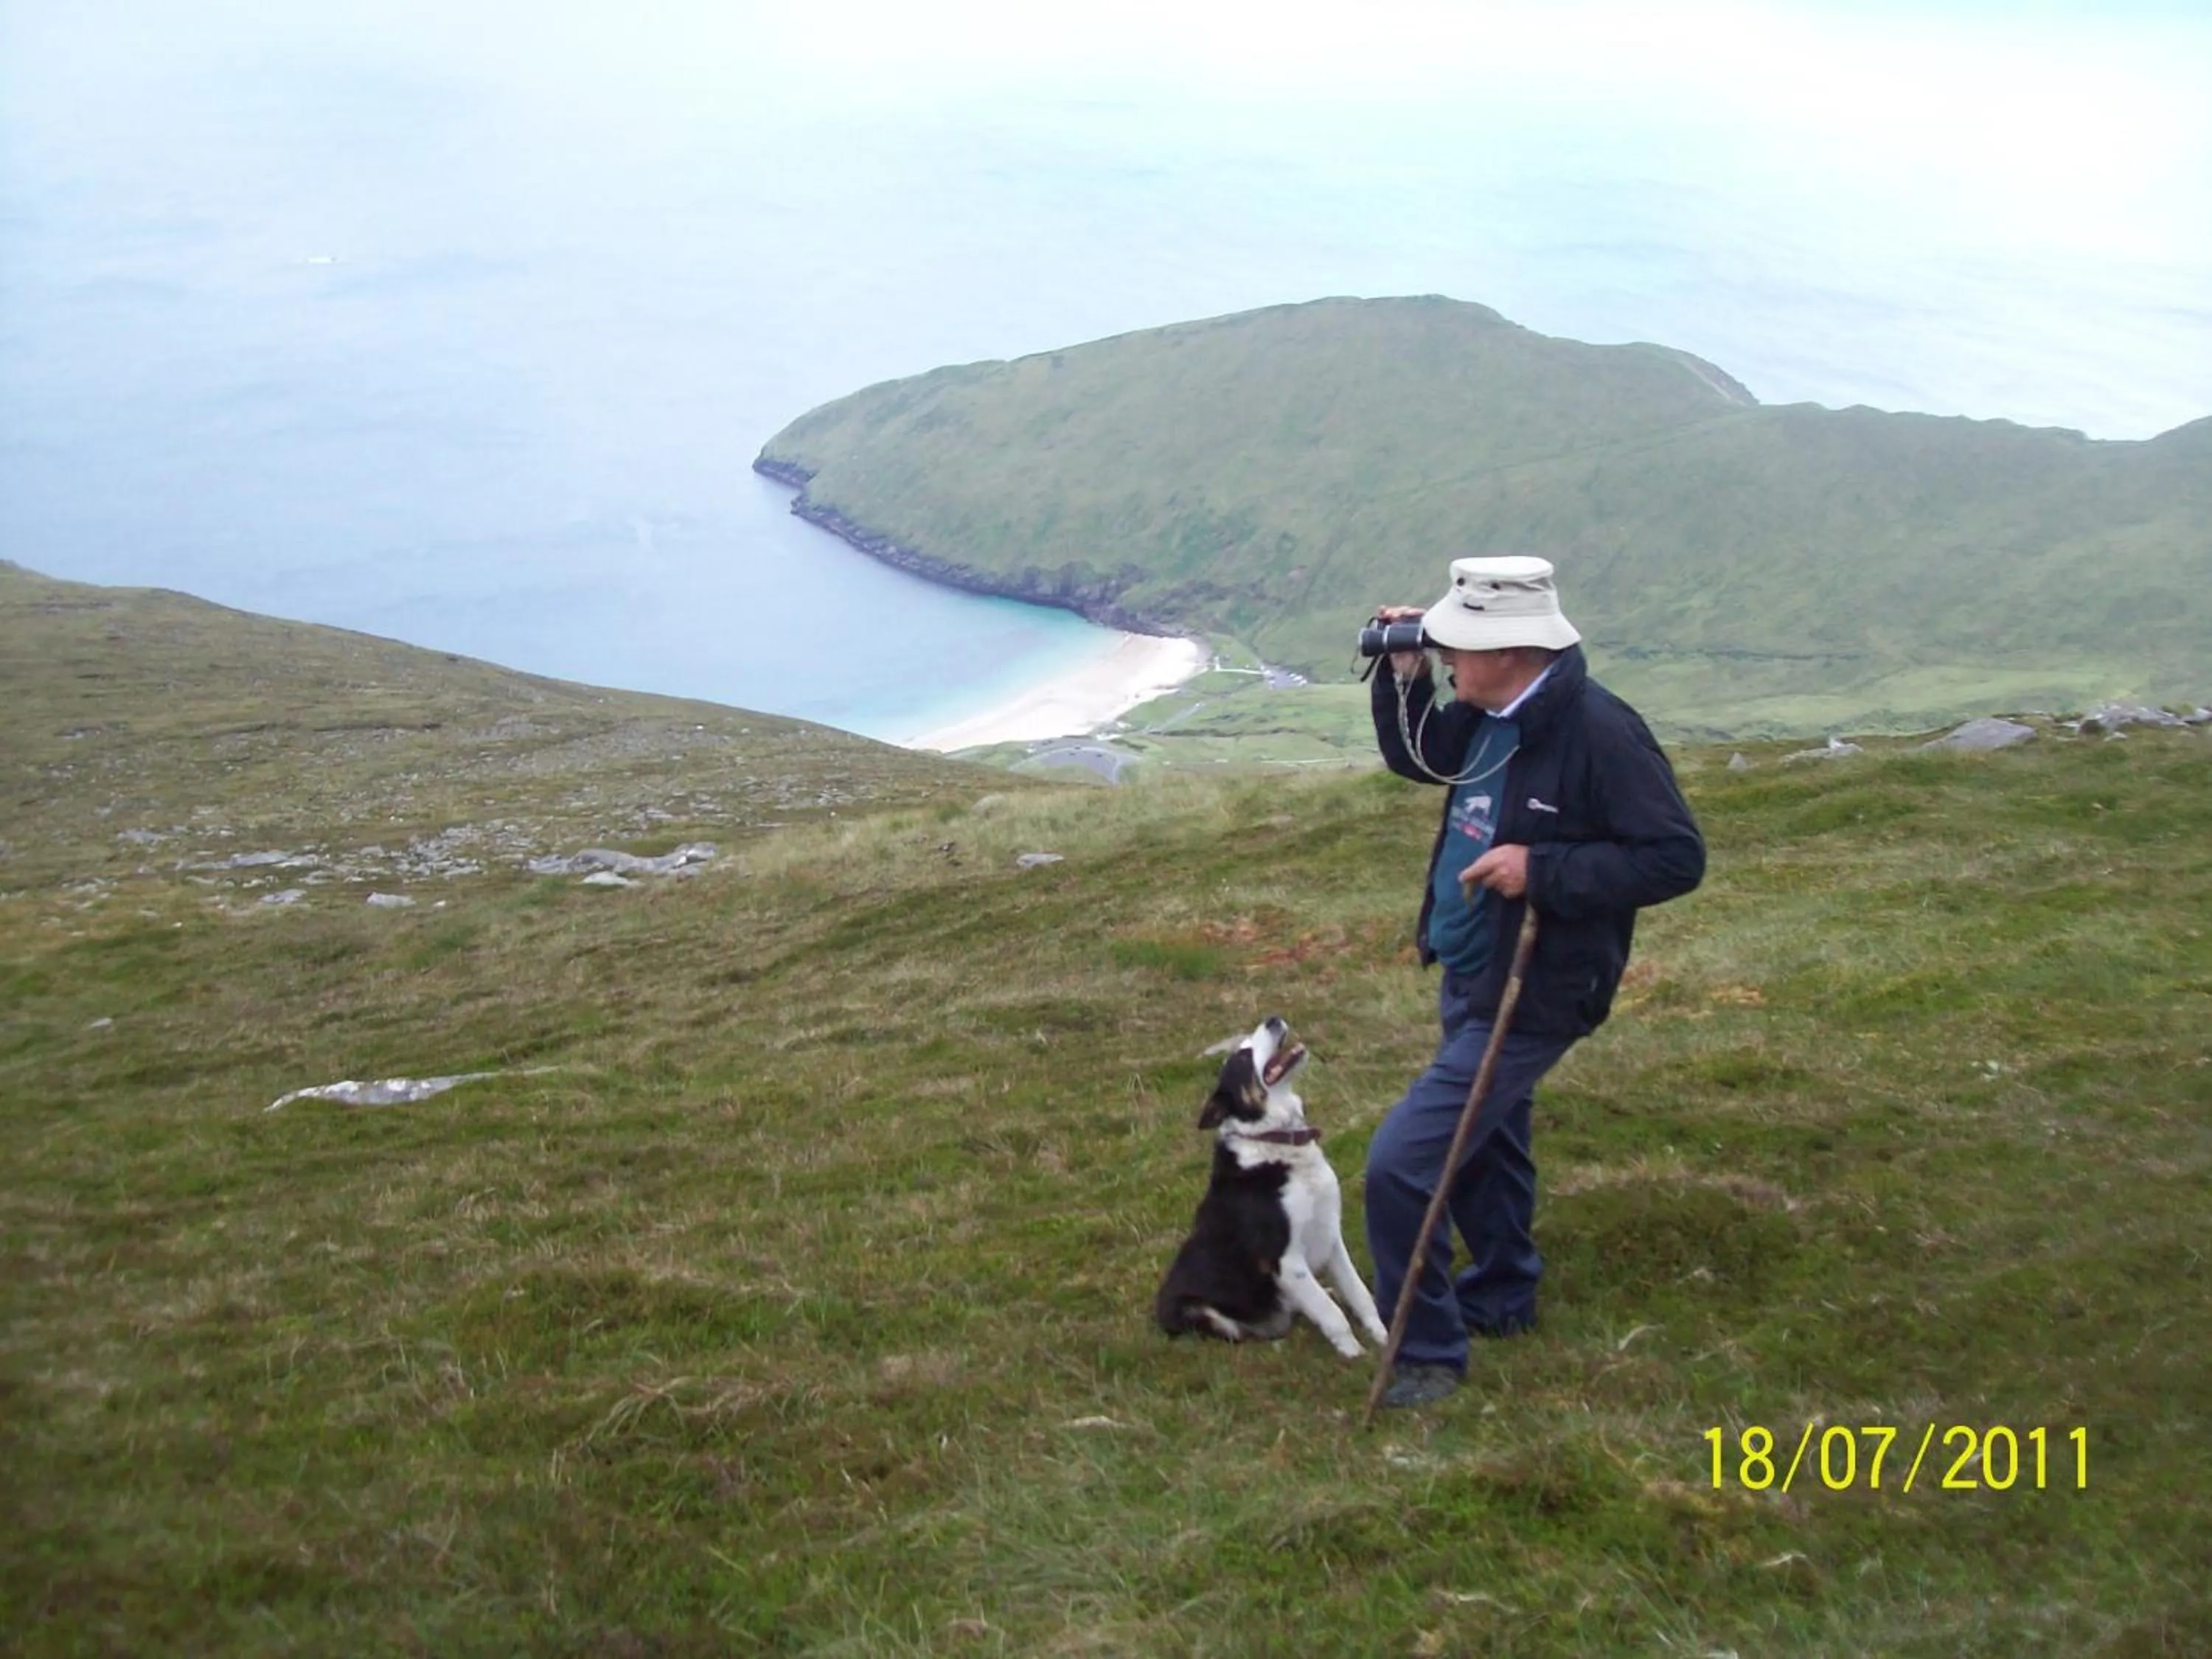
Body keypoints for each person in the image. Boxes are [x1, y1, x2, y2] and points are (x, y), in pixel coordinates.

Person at [1365, 555, 1704, 1408]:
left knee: (1404, 1164)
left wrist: (1541, 869)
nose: (1446, 656)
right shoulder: (1485, 712)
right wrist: (1404, 679)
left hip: (1536, 990)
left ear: (1511, 649)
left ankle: (1428, 1355)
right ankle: (1505, 1294)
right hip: (1473, 965)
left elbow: (1674, 857)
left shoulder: (1597, 731)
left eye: (1455, 646)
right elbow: (1422, 759)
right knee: (1491, 1139)